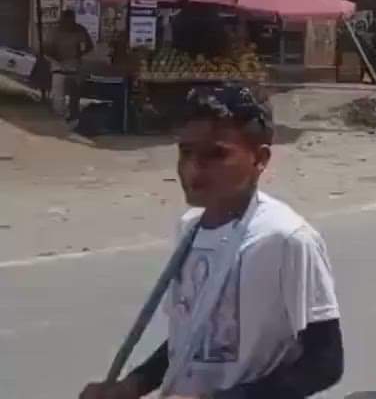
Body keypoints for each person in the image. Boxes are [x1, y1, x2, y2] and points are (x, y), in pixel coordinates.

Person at [80, 84, 343, 399]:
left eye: (215, 154)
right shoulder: (190, 228)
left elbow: (324, 363)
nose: (193, 168)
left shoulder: (286, 238)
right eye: (185, 152)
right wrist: (132, 386)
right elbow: (193, 337)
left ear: (259, 159)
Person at [48, 8, 93, 121]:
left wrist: (80, 54)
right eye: (65, 20)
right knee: (58, 96)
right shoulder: (55, 31)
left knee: (74, 94)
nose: (67, 23)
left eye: (70, 20)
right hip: (58, 65)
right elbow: (47, 48)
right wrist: (55, 56)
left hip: (74, 65)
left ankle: (73, 114)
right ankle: (60, 115)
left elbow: (89, 45)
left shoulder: (80, 30)